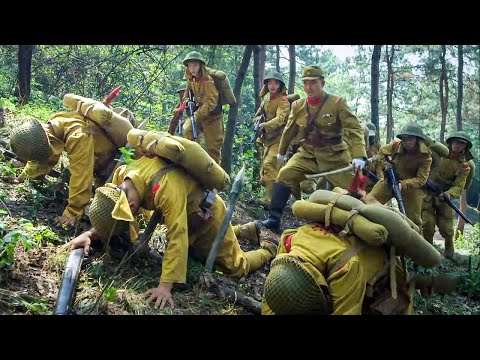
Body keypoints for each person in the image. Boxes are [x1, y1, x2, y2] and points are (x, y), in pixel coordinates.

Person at [62, 154, 278, 309]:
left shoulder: (166, 187)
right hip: (187, 214)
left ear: (133, 206)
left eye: (133, 208)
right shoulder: (123, 175)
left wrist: (165, 286)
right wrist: (92, 232)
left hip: (208, 216)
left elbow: (177, 234)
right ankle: (243, 231)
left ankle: (269, 248)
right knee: (202, 250)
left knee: (235, 267)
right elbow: (112, 213)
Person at [260, 65, 367, 233]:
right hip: (307, 154)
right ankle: (274, 219)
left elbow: (354, 129)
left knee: (355, 191)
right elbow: (289, 131)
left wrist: (359, 155)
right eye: (306, 83)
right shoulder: (298, 105)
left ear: (322, 83)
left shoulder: (337, 103)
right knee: (285, 175)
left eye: (313, 83)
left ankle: (361, 225)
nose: (309, 87)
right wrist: (281, 153)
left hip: (335, 157)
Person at [5, 96, 135, 226]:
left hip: (115, 164)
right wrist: (23, 177)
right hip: (98, 158)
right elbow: (44, 155)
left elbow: (81, 174)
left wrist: (72, 213)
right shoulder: (54, 124)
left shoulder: (78, 136)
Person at [365, 122, 432, 230]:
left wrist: (403, 185)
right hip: (389, 181)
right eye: (405, 139)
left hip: (411, 187)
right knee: (369, 201)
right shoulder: (394, 146)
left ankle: (415, 244)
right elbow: (381, 153)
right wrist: (385, 165)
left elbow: (421, 179)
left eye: (410, 139)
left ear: (417, 139)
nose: (407, 142)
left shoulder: (425, 156)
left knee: (413, 220)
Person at [422, 131, 474, 258]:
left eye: (461, 143)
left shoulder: (465, 165)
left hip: (445, 198)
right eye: (455, 142)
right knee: (427, 225)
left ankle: (449, 253)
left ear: (465, 146)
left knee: (447, 229)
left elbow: (459, 186)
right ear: (450, 142)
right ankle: (428, 254)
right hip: (427, 194)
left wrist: (448, 194)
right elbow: (427, 141)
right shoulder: (440, 152)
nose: (457, 145)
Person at [253, 70, 290, 207]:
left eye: (276, 83)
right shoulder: (266, 101)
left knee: (270, 165)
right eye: (270, 83)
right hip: (266, 140)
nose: (272, 86)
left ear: (280, 85)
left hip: (279, 139)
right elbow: (256, 116)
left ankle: (272, 201)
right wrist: (258, 121)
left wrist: (265, 125)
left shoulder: (283, 101)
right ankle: (272, 196)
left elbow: (280, 120)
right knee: (264, 170)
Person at [181, 51, 224, 163]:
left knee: (213, 149)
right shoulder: (191, 80)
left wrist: (197, 115)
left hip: (213, 118)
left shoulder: (208, 80)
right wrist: (187, 102)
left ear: (200, 65)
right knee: (187, 128)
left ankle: (216, 178)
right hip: (200, 116)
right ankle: (194, 159)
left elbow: (211, 102)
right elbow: (186, 95)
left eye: (195, 64)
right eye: (190, 65)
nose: (192, 68)